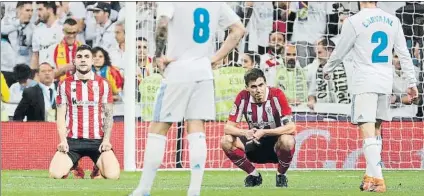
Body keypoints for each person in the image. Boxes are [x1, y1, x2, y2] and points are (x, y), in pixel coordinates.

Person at [130, 2, 246, 196]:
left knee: (158, 128)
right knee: (196, 129)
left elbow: (162, 24)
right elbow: (238, 29)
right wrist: (214, 58)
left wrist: (158, 56)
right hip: (203, 72)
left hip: (178, 71)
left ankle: (143, 189)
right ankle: (194, 191)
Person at [323, 2, 419, 193]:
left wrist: (327, 69)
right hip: (385, 81)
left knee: (366, 130)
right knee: (375, 130)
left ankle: (379, 179)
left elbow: (340, 50)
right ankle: (369, 177)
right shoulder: (393, 20)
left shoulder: (354, 21)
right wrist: (412, 82)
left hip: (365, 81)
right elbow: (404, 54)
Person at [48, 45, 120, 180]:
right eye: (79, 57)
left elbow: (109, 116)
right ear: (74, 61)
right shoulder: (64, 84)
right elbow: (61, 116)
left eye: (87, 57)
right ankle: (74, 165)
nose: (83, 60)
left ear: (92, 61)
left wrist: (106, 140)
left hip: (97, 141)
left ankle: (97, 167)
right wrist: (63, 141)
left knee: (113, 176)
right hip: (72, 141)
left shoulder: (103, 84)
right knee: (55, 175)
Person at [220, 68, 296, 187]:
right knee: (226, 141)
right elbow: (228, 128)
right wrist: (244, 133)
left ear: (266, 83)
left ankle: (281, 175)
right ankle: (254, 175)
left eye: (261, 85)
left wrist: (265, 132)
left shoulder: (276, 95)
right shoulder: (243, 97)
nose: (258, 90)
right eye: (253, 86)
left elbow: (291, 127)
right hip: (253, 144)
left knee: (288, 140)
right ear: (247, 88)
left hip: (276, 146)